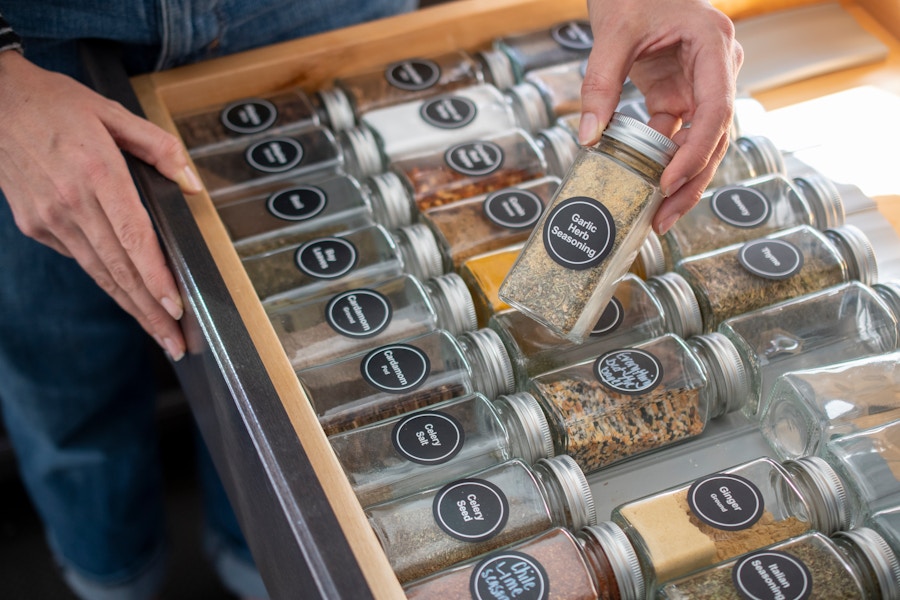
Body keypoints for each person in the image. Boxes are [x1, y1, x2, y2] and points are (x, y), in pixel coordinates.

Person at [0, 0, 742, 598]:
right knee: (65, 375)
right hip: (38, 50)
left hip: (313, 21)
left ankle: (245, 558)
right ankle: (109, 574)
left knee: (297, 372)